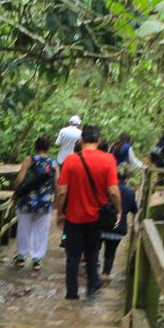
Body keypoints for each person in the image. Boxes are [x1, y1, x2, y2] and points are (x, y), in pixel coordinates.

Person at [55, 123, 121, 300]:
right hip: (95, 218)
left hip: (73, 218)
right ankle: (92, 287)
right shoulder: (108, 160)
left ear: (81, 140)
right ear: (98, 141)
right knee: (92, 252)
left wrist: (59, 212)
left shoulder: (71, 160)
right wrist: (119, 210)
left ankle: (71, 293)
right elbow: (113, 191)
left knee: (73, 256)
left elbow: (62, 191)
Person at [13, 136, 57, 271]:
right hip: (44, 202)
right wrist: (54, 200)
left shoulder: (29, 159)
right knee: (41, 230)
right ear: (48, 148)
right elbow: (57, 182)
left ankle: (21, 257)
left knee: (23, 228)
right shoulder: (53, 163)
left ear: (35, 147)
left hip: (27, 200)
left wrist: (16, 191)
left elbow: (20, 179)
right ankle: (37, 259)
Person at [100, 166, 138, 281]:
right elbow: (135, 210)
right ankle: (105, 274)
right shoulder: (130, 192)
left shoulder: (105, 188)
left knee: (95, 249)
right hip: (118, 229)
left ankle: (90, 271)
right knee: (110, 253)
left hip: (101, 227)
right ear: (126, 179)